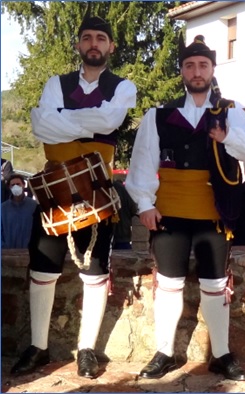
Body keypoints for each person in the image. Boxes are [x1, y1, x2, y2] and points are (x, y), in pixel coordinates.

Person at [125, 35, 245, 381]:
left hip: (215, 211)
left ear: (212, 70)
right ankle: (165, 352)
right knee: (168, 283)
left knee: (215, 284)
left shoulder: (231, 112)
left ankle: (221, 355)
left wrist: (225, 136)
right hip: (168, 210)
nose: (196, 71)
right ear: (182, 71)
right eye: (189, 65)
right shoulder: (160, 115)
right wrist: (144, 204)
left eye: (202, 65)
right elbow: (142, 163)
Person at [10, 15, 136, 379]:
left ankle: (86, 350)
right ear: (79, 44)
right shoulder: (56, 83)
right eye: (87, 38)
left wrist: (65, 118)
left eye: (100, 38)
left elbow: (111, 122)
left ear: (110, 46)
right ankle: (38, 346)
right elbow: (40, 124)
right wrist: (90, 119)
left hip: (97, 193)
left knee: (95, 273)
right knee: (41, 269)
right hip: (54, 194)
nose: (93, 43)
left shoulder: (123, 86)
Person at [1, 173, 38, 248]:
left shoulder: (33, 206)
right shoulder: (3, 208)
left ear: (24, 185)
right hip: (8, 253)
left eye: (18, 184)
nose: (16, 186)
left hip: (29, 252)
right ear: (9, 187)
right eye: (13, 185)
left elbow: (38, 230)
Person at [112, 179, 137, 249]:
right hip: (122, 234)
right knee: (124, 257)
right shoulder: (123, 189)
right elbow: (134, 209)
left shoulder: (99, 188)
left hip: (105, 236)